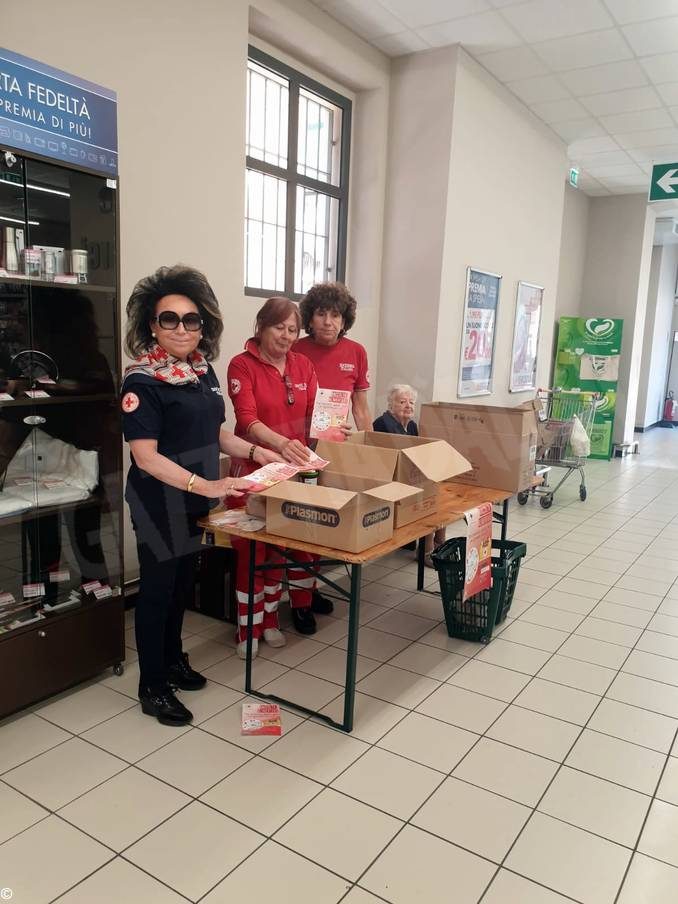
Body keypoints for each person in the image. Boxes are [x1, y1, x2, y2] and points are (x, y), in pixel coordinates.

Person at [122, 265, 281, 726]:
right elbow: (146, 457)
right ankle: (152, 684)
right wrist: (208, 485)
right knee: (156, 592)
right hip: (158, 502)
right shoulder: (143, 382)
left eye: (191, 320)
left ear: (202, 326)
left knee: (178, 589)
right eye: (168, 319)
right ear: (152, 325)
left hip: (192, 501)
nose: (181, 328)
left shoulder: (198, 371)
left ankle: (172, 660)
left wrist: (258, 450)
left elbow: (213, 432)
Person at [227, 297, 319, 656]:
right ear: (261, 326)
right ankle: (247, 630)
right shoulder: (241, 365)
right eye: (278, 327)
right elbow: (246, 418)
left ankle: (270, 621)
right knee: (252, 551)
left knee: (279, 548)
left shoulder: (304, 365)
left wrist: (333, 428)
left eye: (292, 329)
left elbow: (314, 416)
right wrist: (283, 443)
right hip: (252, 471)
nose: (285, 335)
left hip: (291, 473)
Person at [295, 281, 372, 614]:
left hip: (335, 449)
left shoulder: (356, 352)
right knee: (301, 522)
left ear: (345, 320)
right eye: (321, 313)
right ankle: (299, 600)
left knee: (326, 521)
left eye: (335, 315)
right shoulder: (294, 349)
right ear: (310, 318)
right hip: (297, 447)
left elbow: (361, 406)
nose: (328, 321)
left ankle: (309, 590)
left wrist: (369, 445)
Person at [373, 383, 445, 566]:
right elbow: (389, 459)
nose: (408, 406)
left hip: (407, 476)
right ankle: (427, 549)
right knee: (426, 495)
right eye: (402, 401)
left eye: (411, 402)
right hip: (391, 480)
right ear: (390, 404)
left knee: (436, 489)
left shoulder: (411, 425)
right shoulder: (382, 424)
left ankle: (440, 544)